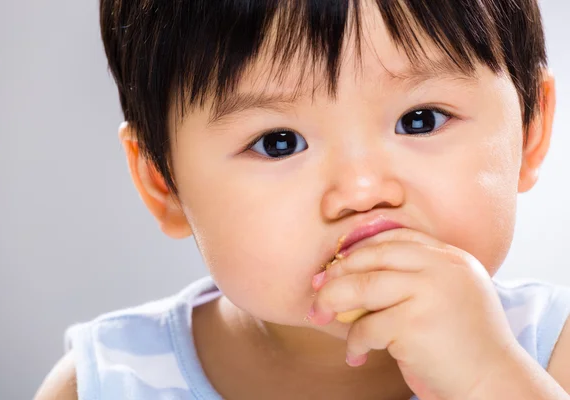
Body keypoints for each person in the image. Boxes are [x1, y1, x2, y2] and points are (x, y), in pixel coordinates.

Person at [35, 1, 570, 399]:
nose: (362, 191)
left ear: (529, 129)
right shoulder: (106, 382)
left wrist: (489, 378)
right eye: (279, 142)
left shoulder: (547, 354)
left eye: (420, 119)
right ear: (165, 184)